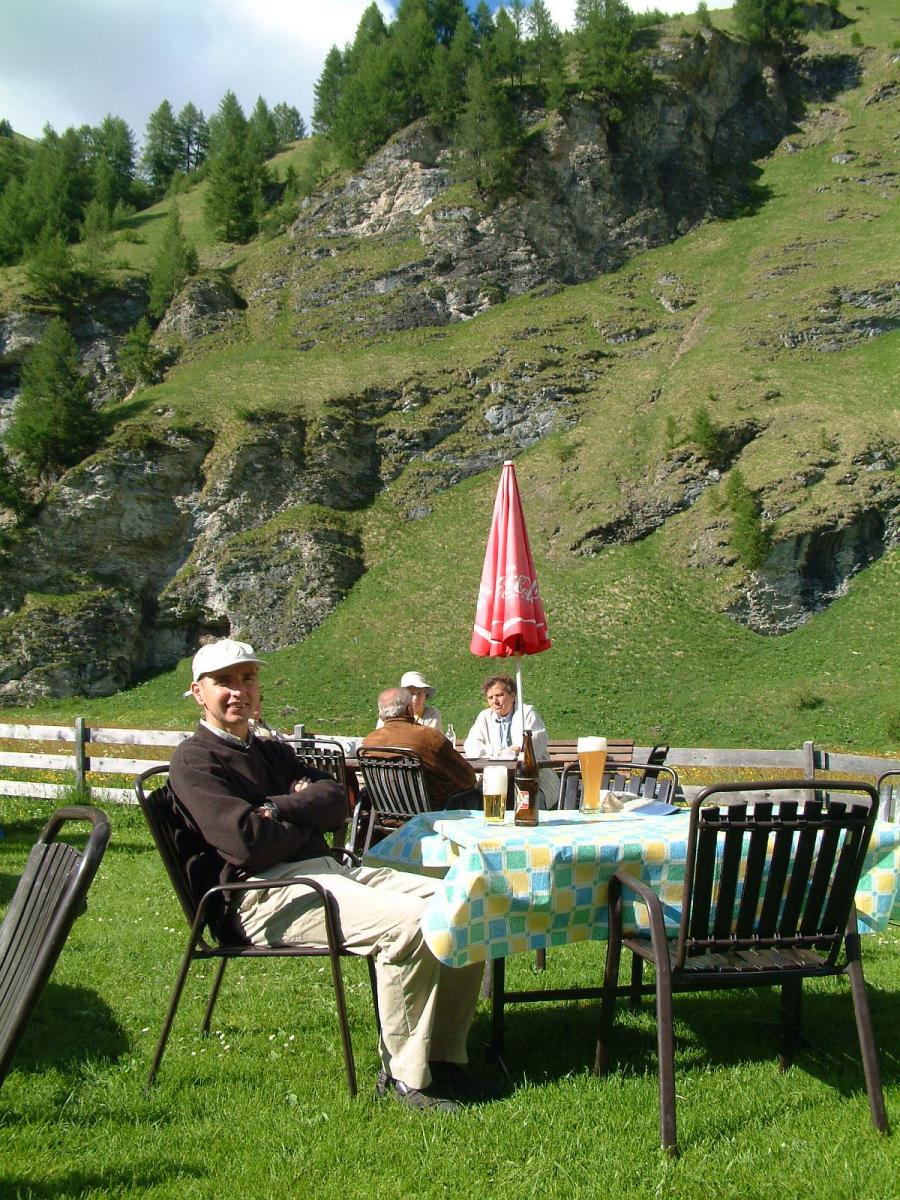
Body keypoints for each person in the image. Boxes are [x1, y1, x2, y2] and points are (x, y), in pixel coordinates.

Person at [169, 637, 488, 1111]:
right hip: (259, 895)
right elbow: (245, 843)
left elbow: (338, 801)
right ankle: (408, 1079)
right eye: (224, 682)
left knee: (462, 901)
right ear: (199, 692)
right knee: (407, 925)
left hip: (321, 868)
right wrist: (303, 815)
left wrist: (277, 809)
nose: (239, 691)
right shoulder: (195, 760)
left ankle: (444, 1057)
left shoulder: (269, 749)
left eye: (248, 678)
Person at [363, 687, 479, 809]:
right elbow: (468, 778)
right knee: (476, 793)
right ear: (409, 709)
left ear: (381, 714)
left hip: (387, 813)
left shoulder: (369, 743)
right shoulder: (429, 737)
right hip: (433, 816)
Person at [463, 673, 559, 808]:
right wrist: (500, 752)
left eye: (499, 695)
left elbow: (533, 746)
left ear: (513, 695)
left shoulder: (527, 713)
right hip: (495, 781)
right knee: (473, 801)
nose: (494, 701)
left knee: (526, 803)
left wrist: (515, 750)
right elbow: (471, 746)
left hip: (531, 781)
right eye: (490, 697)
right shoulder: (484, 717)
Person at [375, 670, 443, 733]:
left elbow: (432, 741)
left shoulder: (432, 714)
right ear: (402, 697)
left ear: (425, 695)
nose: (415, 698)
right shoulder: (389, 714)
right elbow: (379, 738)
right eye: (410, 694)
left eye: (419, 693)